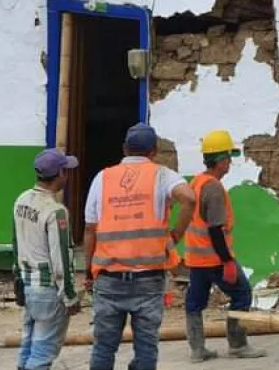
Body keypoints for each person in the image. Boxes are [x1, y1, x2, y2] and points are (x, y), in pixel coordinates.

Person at [84, 123, 196, 370]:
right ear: (153, 151)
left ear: (125, 149)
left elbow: (90, 229)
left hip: (109, 278)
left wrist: (88, 273)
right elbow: (189, 198)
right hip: (148, 279)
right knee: (146, 347)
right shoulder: (162, 176)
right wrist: (175, 236)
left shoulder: (102, 178)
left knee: (104, 347)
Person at [184, 130, 266, 362]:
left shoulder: (196, 182)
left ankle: (197, 350)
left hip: (196, 259)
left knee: (194, 303)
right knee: (242, 294)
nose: (230, 162)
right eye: (228, 157)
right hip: (215, 258)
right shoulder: (214, 188)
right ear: (220, 160)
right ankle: (238, 345)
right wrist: (227, 261)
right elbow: (215, 229)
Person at [12, 148, 82, 370]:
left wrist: (18, 280)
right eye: (65, 171)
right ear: (60, 174)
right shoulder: (56, 212)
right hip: (48, 291)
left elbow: (16, 245)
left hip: (28, 284)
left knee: (28, 346)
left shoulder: (21, 201)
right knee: (42, 353)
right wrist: (70, 297)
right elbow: (61, 260)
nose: (67, 176)